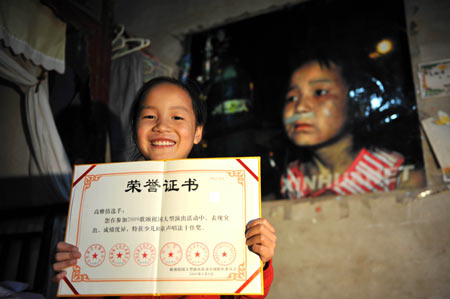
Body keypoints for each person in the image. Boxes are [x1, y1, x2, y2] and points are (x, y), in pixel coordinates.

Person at [52, 77, 276, 298]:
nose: (162, 126)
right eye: (149, 116)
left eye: (177, 117)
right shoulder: (104, 197)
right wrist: (74, 272)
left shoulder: (228, 196)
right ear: (135, 128)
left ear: (198, 132)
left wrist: (260, 261)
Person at [280, 54, 425, 199]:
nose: (300, 107)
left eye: (320, 93)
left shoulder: (396, 175)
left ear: (356, 104)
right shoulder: (291, 178)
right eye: (292, 97)